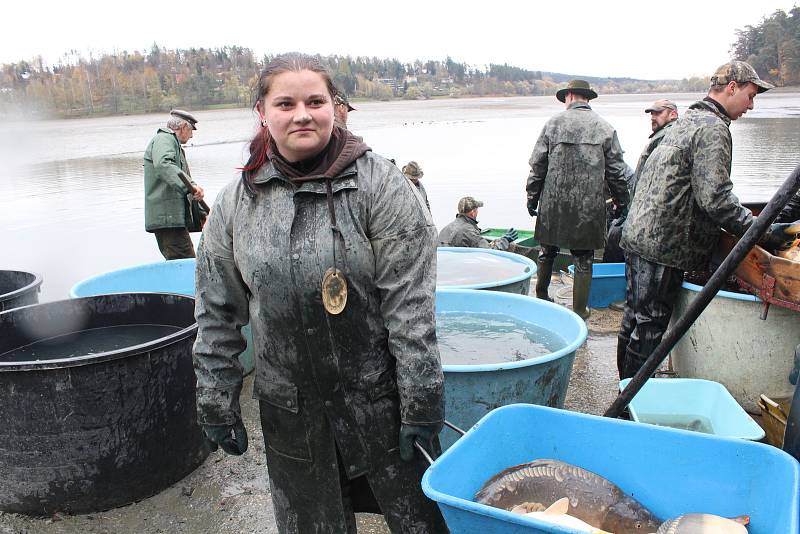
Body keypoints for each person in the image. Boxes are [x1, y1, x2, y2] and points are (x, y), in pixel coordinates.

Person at [192, 53, 448, 533]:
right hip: (290, 406)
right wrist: (215, 398)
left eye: (315, 101)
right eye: (285, 103)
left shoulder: (381, 186)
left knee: (421, 520)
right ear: (262, 112)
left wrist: (422, 399)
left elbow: (410, 307)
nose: (302, 114)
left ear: (335, 107)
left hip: (380, 400)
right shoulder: (235, 203)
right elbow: (217, 312)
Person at [617, 60, 790, 380]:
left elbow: (639, 178)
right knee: (650, 326)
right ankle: (629, 406)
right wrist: (763, 232)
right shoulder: (713, 129)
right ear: (731, 88)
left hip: (637, 235)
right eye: (750, 95)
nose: (751, 106)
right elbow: (718, 201)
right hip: (663, 246)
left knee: (633, 319)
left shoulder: (681, 122)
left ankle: (623, 392)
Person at [525, 79, 629, 319]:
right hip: (589, 207)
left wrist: (532, 197)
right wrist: (622, 202)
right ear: (587, 98)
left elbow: (537, 166)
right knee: (584, 260)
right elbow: (617, 172)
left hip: (553, 204)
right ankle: (580, 311)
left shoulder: (552, 124)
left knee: (546, 251)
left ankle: (541, 297)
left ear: (569, 96)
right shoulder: (605, 127)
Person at [603, 100, 679, 263]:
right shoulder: (660, 136)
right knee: (616, 232)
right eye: (651, 113)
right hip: (640, 207)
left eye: (658, 113)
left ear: (673, 114)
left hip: (654, 215)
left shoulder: (670, 137)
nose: (653, 117)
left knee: (616, 234)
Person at [143, 109, 205, 260]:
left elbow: (185, 183)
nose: (191, 135)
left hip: (172, 219)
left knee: (185, 261)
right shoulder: (165, 139)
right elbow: (164, 165)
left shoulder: (174, 145)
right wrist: (192, 185)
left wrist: (202, 214)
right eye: (191, 130)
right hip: (167, 219)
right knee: (185, 264)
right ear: (183, 127)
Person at [438, 196, 517, 249]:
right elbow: (489, 251)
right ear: (473, 212)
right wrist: (505, 240)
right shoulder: (469, 231)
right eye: (477, 210)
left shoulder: (446, 229)